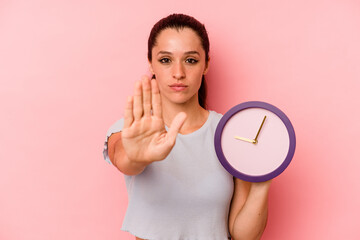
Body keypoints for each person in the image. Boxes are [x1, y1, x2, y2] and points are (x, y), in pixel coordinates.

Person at [103, 13, 271, 240]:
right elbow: (123, 158)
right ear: (150, 62)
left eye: (190, 60)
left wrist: (264, 178)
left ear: (206, 64)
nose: (178, 73)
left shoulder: (228, 132)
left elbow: (243, 236)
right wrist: (135, 158)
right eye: (165, 60)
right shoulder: (133, 128)